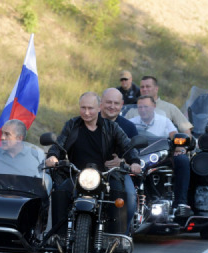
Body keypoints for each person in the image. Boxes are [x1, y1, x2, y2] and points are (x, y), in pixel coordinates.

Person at [45, 91, 142, 235]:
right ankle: (59, 238)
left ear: (99, 108)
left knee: (119, 195)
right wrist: (52, 156)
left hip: (106, 176)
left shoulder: (112, 127)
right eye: (83, 108)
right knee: (60, 192)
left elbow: (127, 146)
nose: (87, 112)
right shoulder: (72, 125)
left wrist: (135, 162)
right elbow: (59, 144)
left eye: (90, 108)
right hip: (77, 174)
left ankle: (117, 239)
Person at [128, 95, 192, 216]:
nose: (143, 110)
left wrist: (179, 147)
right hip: (138, 157)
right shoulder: (132, 123)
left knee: (182, 160)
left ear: (154, 107)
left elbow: (174, 134)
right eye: (140, 107)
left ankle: (180, 202)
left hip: (159, 157)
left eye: (146, 106)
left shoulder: (164, 120)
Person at [126, 76, 194, 135]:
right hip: (137, 148)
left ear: (156, 89)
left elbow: (186, 130)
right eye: (142, 87)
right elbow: (122, 130)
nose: (144, 89)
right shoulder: (132, 110)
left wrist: (183, 147)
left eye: (148, 86)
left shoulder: (170, 108)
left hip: (163, 148)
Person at [100, 88, 138, 170]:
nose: (112, 106)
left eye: (116, 103)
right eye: (109, 102)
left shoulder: (129, 127)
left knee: (130, 183)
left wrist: (122, 162)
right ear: (101, 102)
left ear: (122, 104)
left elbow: (135, 154)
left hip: (120, 172)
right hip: (89, 172)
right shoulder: (90, 122)